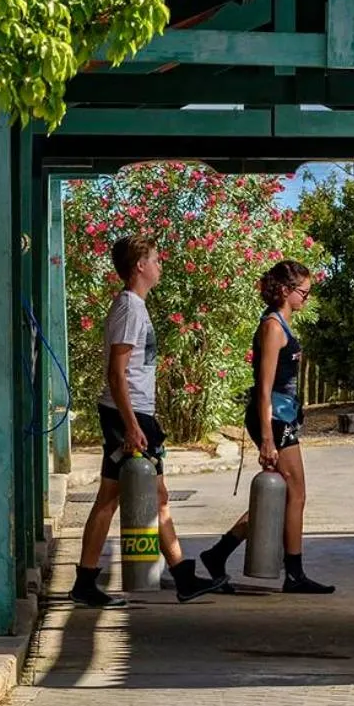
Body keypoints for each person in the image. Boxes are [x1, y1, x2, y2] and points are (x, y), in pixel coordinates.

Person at [70, 238, 229, 608]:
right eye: (155, 259)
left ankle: (180, 575)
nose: (160, 265)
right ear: (139, 265)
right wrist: (130, 424)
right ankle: (89, 581)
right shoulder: (129, 308)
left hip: (135, 413)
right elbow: (116, 373)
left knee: (150, 496)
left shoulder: (136, 306)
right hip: (127, 414)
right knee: (115, 498)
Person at [199, 260, 336, 594]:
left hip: (283, 415)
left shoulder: (281, 323)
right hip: (273, 418)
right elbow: (264, 387)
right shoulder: (273, 327)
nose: (306, 298)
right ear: (286, 291)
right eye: (303, 292)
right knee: (296, 494)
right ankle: (294, 574)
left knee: (281, 495)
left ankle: (217, 554)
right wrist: (266, 439)